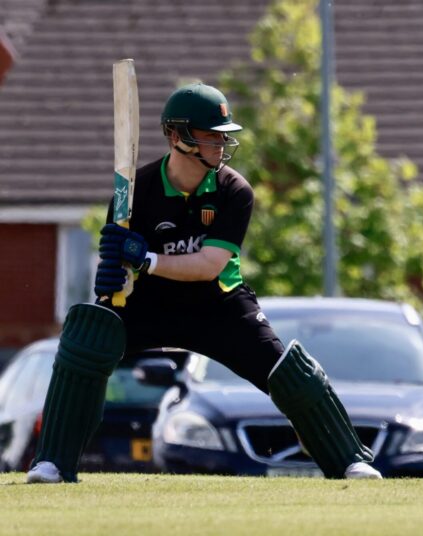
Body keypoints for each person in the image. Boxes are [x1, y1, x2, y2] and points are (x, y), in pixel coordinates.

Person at [26, 83, 380, 483]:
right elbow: (118, 273)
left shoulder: (234, 191)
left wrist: (145, 259)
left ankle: (351, 460)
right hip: (149, 304)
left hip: (219, 304)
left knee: (287, 370)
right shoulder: (133, 193)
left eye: (223, 135)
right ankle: (52, 462)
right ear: (178, 137)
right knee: (85, 341)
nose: (221, 143)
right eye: (212, 135)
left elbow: (210, 265)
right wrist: (112, 275)